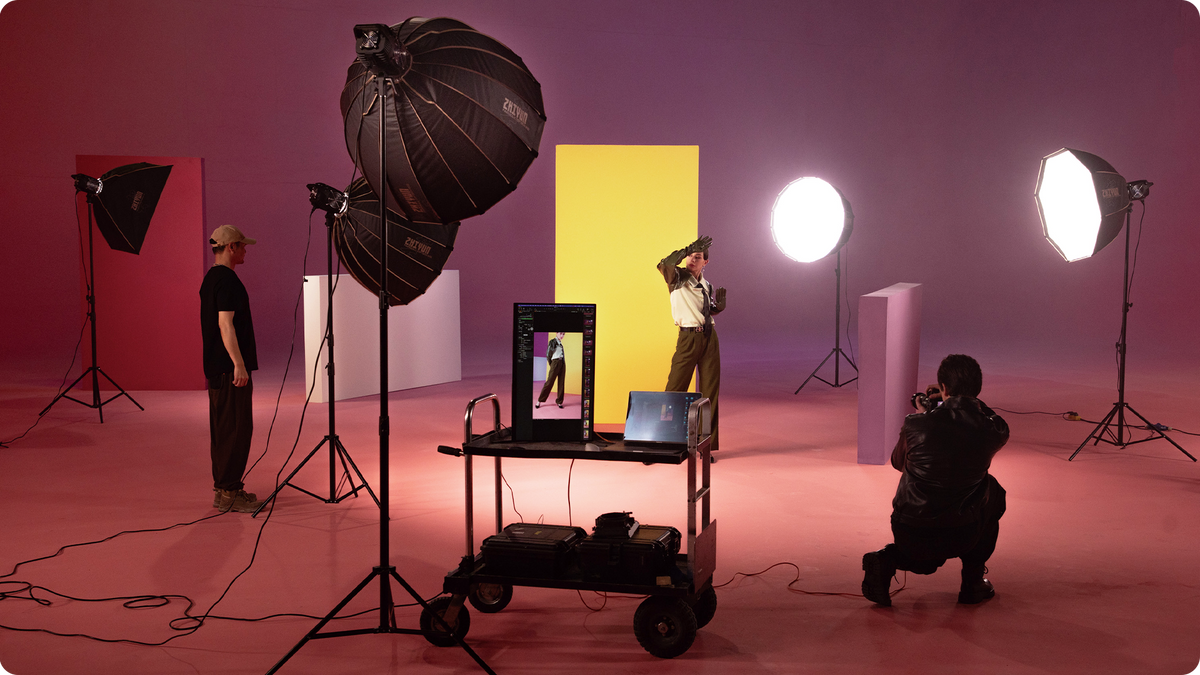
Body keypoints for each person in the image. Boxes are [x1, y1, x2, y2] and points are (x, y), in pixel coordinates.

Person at [862, 354, 1009, 606]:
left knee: (925, 562)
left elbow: (899, 463)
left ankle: (887, 558)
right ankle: (972, 583)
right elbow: (983, 418)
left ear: (943, 387)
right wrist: (961, 401)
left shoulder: (915, 424)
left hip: (911, 531)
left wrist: (927, 413)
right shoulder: (994, 430)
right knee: (992, 490)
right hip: (963, 533)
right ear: (978, 390)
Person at [200, 225, 264, 513]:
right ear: (231, 247)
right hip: (229, 370)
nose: (246, 250)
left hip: (218, 369)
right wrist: (239, 364)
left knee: (225, 430)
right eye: (242, 245)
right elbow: (225, 325)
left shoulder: (211, 279)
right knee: (235, 430)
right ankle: (229, 492)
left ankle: (225, 489)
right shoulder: (227, 281)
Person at [658, 235, 725, 460]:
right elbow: (665, 263)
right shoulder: (676, 277)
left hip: (709, 337)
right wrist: (686, 248)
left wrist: (717, 309)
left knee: (709, 394)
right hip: (688, 338)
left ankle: (705, 447)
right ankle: (662, 442)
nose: (691, 260)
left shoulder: (706, 284)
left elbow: (702, 310)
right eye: (689, 256)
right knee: (674, 390)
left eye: (697, 257)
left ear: (706, 262)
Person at [537, 331, 566, 409]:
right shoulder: (552, 342)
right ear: (557, 333)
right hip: (555, 362)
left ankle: (559, 402)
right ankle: (540, 400)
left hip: (562, 363)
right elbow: (548, 354)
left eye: (563, 334)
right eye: (560, 333)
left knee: (561, 383)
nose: (562, 335)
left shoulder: (561, 344)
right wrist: (552, 364)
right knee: (549, 382)